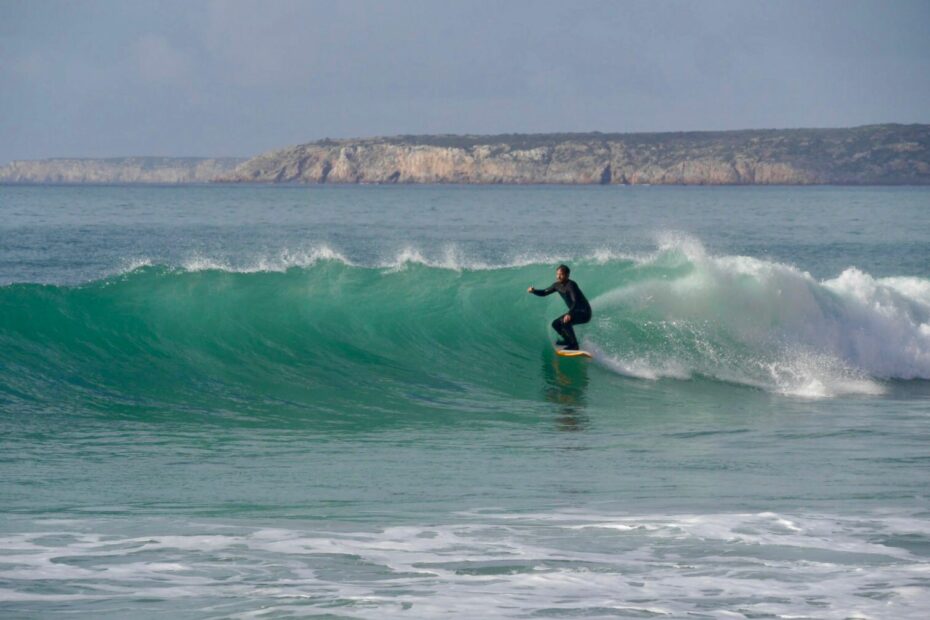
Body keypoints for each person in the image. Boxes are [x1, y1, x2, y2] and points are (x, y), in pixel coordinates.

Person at [527, 264, 592, 350]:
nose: (558, 276)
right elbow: (544, 292)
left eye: (561, 274)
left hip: (584, 312)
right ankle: (568, 340)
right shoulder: (556, 285)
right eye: (557, 274)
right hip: (575, 312)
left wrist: (569, 314)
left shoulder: (571, 285)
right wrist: (534, 291)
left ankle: (574, 345)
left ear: (567, 275)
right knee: (555, 324)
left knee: (565, 322)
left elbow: (575, 301)